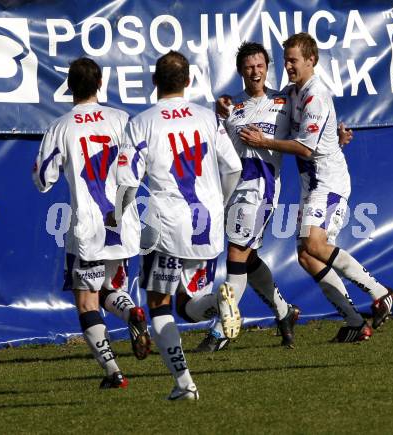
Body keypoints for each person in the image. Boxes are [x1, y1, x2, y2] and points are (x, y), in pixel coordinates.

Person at [240, 33, 393, 342]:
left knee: (313, 244)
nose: (288, 65)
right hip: (310, 183)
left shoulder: (315, 95)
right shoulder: (294, 92)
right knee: (307, 256)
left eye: (293, 60)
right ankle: (354, 321)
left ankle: (381, 293)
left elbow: (305, 148)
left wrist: (263, 141)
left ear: (311, 60)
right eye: (285, 60)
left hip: (328, 181)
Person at [115, 51, 242, 400]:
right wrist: (222, 203)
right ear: (188, 82)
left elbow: (127, 182)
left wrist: (118, 215)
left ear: (154, 82)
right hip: (207, 224)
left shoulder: (142, 122)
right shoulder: (207, 118)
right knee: (189, 305)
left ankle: (184, 383)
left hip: (166, 227)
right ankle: (218, 302)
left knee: (159, 305)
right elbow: (233, 168)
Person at [33, 57, 151, 389]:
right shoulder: (121, 120)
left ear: (69, 86)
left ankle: (114, 372)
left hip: (87, 227)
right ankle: (133, 314)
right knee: (112, 288)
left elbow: (43, 178)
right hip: (122, 222)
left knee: (87, 301)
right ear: (100, 84)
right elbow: (140, 164)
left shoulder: (62, 126)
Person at [196, 42, 302, 353]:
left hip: (261, 189)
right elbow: (219, 148)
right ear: (241, 70)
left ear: (267, 67)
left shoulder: (284, 101)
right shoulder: (232, 106)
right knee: (248, 257)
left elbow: (308, 133)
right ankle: (285, 312)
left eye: (260, 66)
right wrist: (219, 114)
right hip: (232, 190)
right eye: (249, 66)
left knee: (236, 255)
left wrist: (335, 134)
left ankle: (220, 332)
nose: (255, 72)